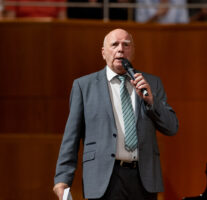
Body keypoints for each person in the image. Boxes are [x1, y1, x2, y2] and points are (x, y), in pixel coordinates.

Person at [53, 28, 179, 200]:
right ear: (104, 53)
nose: (121, 49)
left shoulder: (152, 84)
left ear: (132, 52)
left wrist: (151, 102)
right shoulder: (84, 86)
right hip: (103, 179)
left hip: (143, 179)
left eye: (126, 45)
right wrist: (62, 179)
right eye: (115, 44)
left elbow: (172, 127)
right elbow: (71, 136)